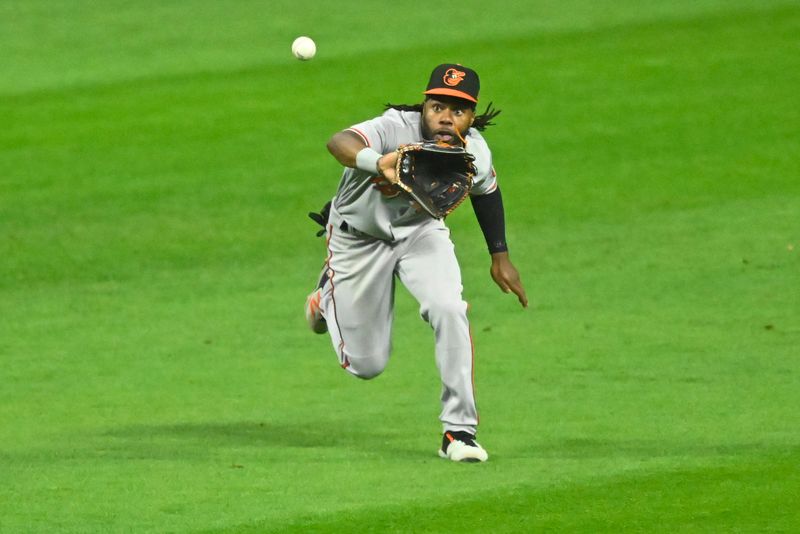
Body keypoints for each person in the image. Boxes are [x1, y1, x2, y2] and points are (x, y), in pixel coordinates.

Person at [304, 64, 527, 462]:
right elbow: (339, 141)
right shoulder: (392, 127)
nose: (446, 116)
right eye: (438, 106)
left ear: (471, 116)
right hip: (357, 240)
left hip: (421, 234)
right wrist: (377, 162)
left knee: (449, 308)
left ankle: (458, 432)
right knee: (366, 365)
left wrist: (500, 255)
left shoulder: (473, 148)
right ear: (424, 106)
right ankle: (326, 296)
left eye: (458, 111)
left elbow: (487, 191)